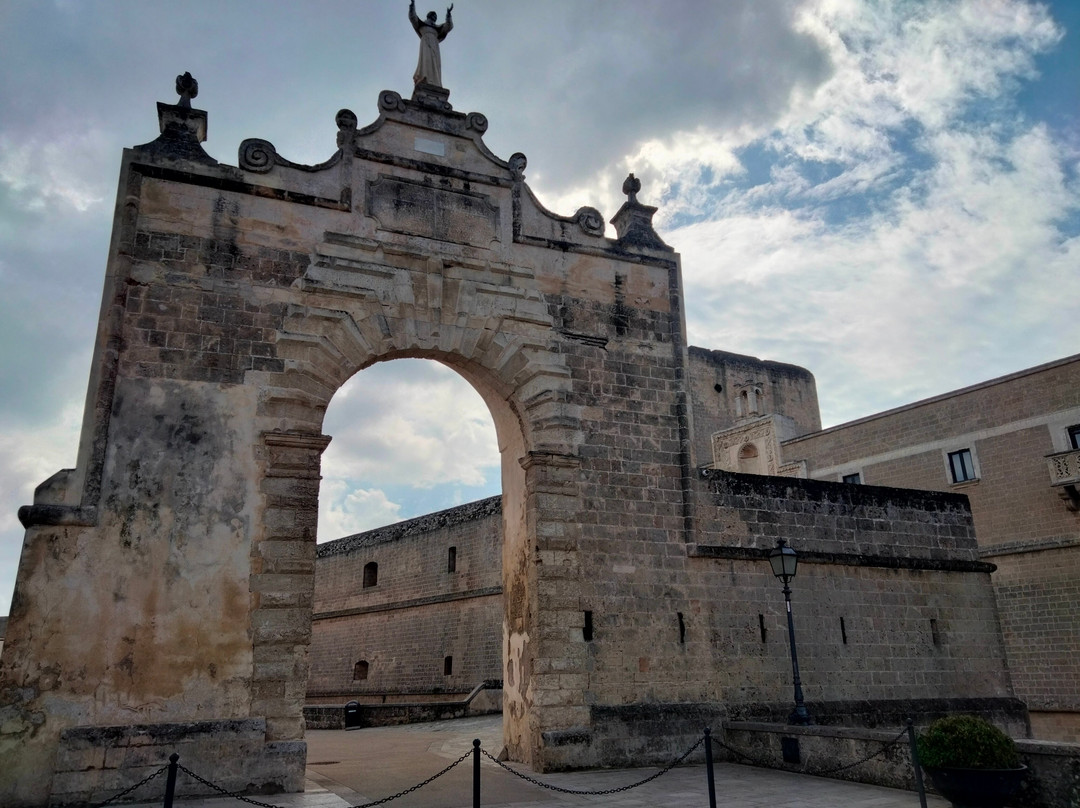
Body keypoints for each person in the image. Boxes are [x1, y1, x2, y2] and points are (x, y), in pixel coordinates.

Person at [409, 1, 454, 88]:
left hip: (435, 46)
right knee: (426, 60)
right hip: (425, 43)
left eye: (436, 17)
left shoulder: (438, 28)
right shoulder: (422, 24)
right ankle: (424, 78)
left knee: (435, 63)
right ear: (429, 16)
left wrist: (448, 15)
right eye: (433, 16)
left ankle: (435, 82)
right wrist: (412, 5)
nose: (435, 18)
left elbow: (448, 27)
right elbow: (413, 17)